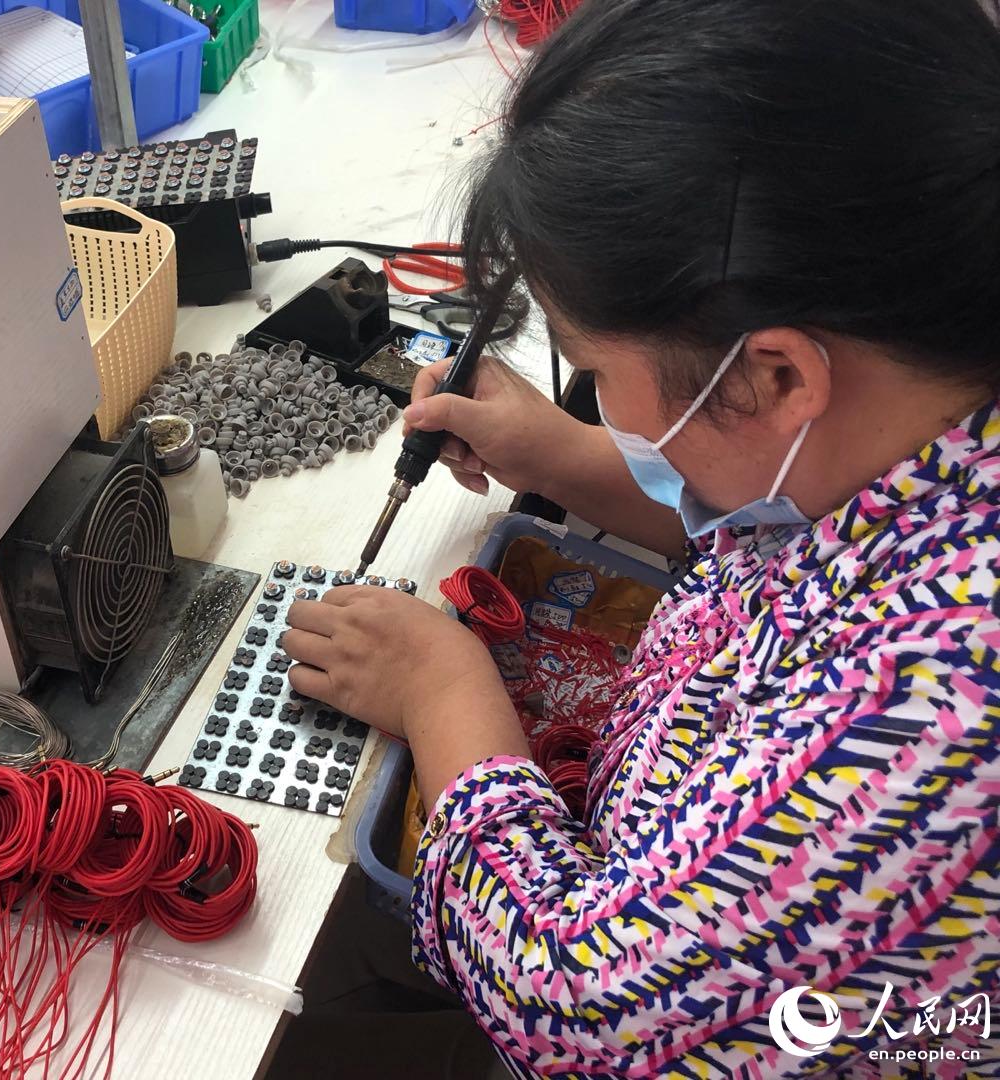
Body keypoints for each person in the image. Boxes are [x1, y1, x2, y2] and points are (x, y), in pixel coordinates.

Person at [282, 0, 1000, 1075]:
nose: (598, 401)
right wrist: (568, 457)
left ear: (775, 376)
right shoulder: (918, 404)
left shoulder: (931, 723)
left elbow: (574, 1010)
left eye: (596, 373)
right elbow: (782, 523)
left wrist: (441, 692)